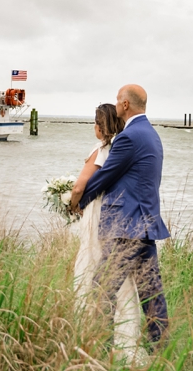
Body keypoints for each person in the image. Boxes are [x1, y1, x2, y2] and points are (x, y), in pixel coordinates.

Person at [72, 83, 169, 348]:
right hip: (146, 223)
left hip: (126, 225)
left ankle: (102, 347)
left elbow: (106, 174)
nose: (115, 105)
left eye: (117, 100)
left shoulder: (129, 136)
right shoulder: (151, 134)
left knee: (102, 288)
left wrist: (79, 201)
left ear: (125, 104)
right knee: (151, 293)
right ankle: (159, 349)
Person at [69, 102, 142, 353]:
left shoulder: (100, 150)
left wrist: (72, 203)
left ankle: (90, 326)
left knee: (91, 262)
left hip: (98, 212)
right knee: (116, 272)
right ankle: (124, 332)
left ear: (101, 127)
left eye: (95, 123)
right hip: (117, 214)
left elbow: (79, 186)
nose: (94, 128)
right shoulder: (123, 148)